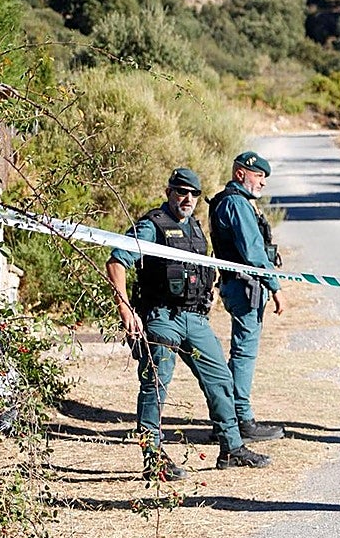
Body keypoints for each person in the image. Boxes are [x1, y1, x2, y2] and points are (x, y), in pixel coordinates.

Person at [107, 168, 271, 480]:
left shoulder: (196, 226)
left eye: (193, 194)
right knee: (155, 385)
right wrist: (126, 309)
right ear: (168, 192)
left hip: (194, 319)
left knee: (220, 379)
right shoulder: (152, 225)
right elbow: (117, 261)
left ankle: (232, 448)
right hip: (162, 318)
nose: (188, 198)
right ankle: (153, 458)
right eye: (181, 192)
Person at [209, 151, 286, 443]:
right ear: (240, 174)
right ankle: (240, 419)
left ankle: (228, 418)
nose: (263, 183)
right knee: (244, 355)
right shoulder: (236, 204)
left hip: (239, 286)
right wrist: (276, 287)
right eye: (258, 176)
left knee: (241, 353)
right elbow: (253, 253)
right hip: (245, 288)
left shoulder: (232, 202)